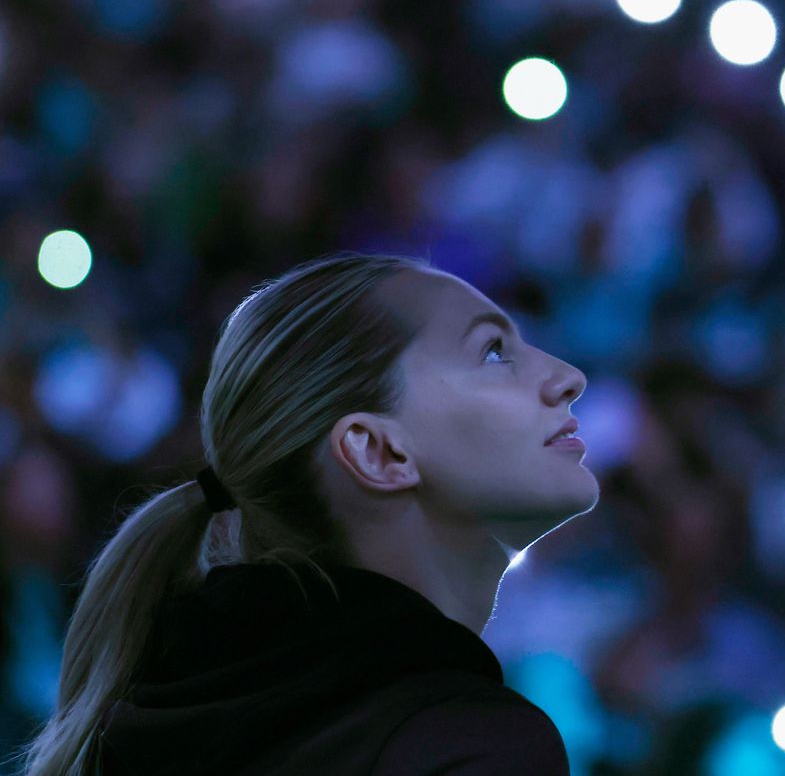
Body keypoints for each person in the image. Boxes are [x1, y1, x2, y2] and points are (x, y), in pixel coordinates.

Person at [9, 251, 598, 776]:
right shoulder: (471, 746)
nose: (568, 378)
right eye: (493, 351)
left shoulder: (158, 715)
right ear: (378, 451)